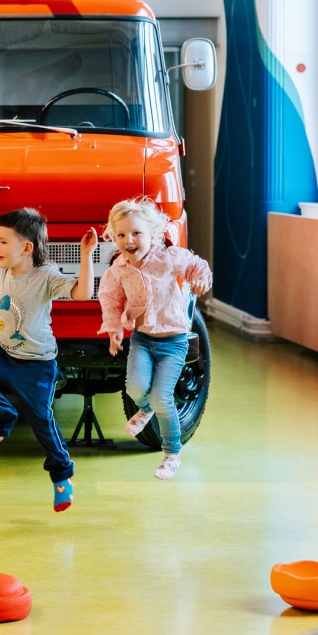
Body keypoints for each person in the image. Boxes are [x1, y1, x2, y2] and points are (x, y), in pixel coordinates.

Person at [0, 208, 97, 512]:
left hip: (36, 364)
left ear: (26, 248)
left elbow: (82, 294)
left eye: (3, 242)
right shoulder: (2, 270)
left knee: (41, 420)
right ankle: (4, 416)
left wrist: (86, 255)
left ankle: (62, 477)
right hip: (4, 353)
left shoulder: (44, 276)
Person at [97, 197, 212, 480]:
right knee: (135, 388)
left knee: (162, 396)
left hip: (174, 342)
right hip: (143, 340)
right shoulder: (118, 270)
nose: (129, 240)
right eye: (121, 235)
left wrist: (200, 279)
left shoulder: (169, 258)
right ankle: (145, 408)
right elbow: (110, 299)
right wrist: (114, 329)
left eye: (136, 233)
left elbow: (197, 267)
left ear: (153, 234)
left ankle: (171, 453)